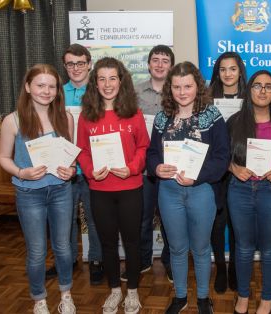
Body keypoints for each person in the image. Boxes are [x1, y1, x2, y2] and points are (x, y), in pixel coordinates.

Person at [146, 61, 230, 314]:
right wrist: (156, 168)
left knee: (201, 248)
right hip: (169, 192)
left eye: (188, 86)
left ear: (198, 87)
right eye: (177, 87)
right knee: (178, 248)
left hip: (201, 190)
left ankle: (203, 298)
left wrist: (199, 177)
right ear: (169, 89)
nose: (182, 92)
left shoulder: (212, 116)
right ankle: (181, 296)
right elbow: (151, 153)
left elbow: (222, 156)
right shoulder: (162, 117)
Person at [0, 64, 76, 314]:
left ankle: (66, 294)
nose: (46, 91)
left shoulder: (66, 117)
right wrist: (22, 172)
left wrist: (71, 170)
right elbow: (3, 158)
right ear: (28, 87)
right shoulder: (13, 120)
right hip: (29, 193)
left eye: (52, 86)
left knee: (63, 247)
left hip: (61, 191)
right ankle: (39, 299)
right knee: (37, 251)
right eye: (40, 85)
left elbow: (70, 157)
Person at [76, 57, 149, 314]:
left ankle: (132, 292)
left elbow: (143, 147)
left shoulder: (134, 113)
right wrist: (89, 171)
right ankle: (114, 290)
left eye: (113, 78)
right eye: (102, 79)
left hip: (130, 187)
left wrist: (132, 167)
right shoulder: (86, 116)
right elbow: (83, 151)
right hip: (100, 190)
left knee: (131, 242)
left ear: (122, 81)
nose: (108, 84)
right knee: (107, 243)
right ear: (95, 83)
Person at [227, 70, 271, 314]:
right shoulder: (234, 122)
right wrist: (234, 168)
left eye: (268, 86)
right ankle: (243, 296)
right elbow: (221, 156)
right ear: (249, 90)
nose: (263, 90)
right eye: (257, 86)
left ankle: (267, 298)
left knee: (270, 247)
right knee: (243, 247)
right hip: (240, 190)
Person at [45, 43, 104, 286]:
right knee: (64, 219)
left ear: (89, 63)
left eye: (80, 63)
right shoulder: (56, 94)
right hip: (63, 169)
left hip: (93, 167)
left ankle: (97, 260)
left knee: (95, 218)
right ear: (65, 66)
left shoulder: (101, 92)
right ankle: (66, 261)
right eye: (70, 63)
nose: (76, 68)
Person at [120, 45, 174, 283]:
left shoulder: (178, 91)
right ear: (149, 64)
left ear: (171, 65)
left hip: (170, 164)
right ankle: (142, 259)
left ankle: (170, 261)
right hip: (143, 165)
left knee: (169, 217)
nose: (160, 64)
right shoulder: (134, 92)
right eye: (155, 60)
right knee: (142, 216)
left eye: (165, 60)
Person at [208, 51, 247, 293]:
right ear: (217, 72)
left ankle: (234, 268)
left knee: (236, 223)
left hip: (241, 168)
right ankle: (220, 267)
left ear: (240, 71)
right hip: (215, 169)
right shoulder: (208, 98)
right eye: (223, 69)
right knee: (216, 222)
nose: (228, 74)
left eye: (232, 69)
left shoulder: (249, 97)